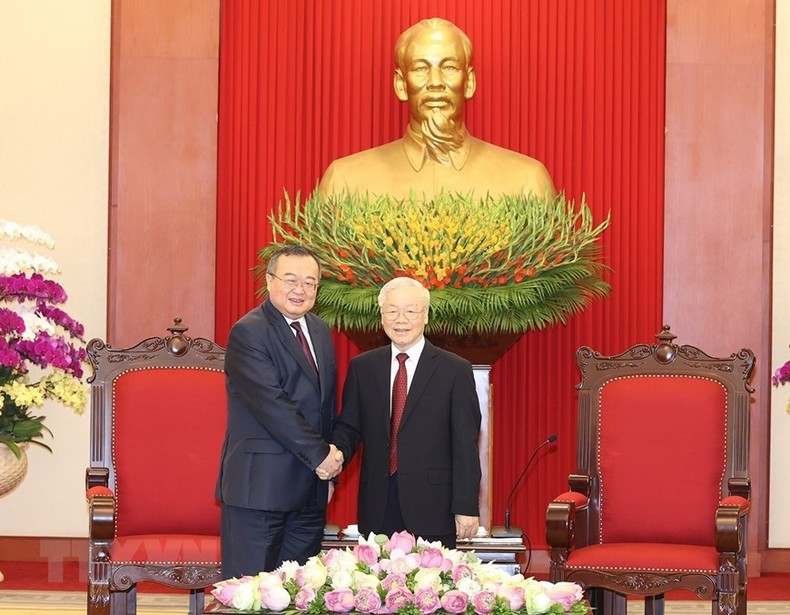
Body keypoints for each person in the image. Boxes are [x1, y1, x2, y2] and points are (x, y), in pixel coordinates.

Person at [318, 17, 556, 201]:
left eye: (449, 67)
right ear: (400, 85)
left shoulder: (527, 182)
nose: (435, 82)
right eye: (420, 68)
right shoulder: (344, 182)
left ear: (469, 82)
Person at [216, 245, 343, 577]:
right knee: (250, 593)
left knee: (300, 593)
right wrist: (321, 457)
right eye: (290, 280)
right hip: (261, 490)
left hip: (310, 491)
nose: (300, 290)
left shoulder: (320, 330)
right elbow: (272, 405)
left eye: (309, 282)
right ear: (270, 281)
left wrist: (329, 474)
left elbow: (325, 407)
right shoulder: (249, 331)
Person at [331, 277, 481, 547]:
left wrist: (466, 506)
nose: (401, 319)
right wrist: (336, 455)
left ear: (425, 315)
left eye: (411, 311)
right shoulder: (363, 368)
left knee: (434, 576)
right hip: (377, 505)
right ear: (382, 316)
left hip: (434, 506)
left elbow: (465, 444)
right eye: (392, 311)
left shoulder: (454, 370)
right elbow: (350, 427)